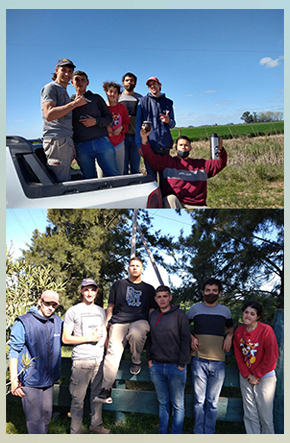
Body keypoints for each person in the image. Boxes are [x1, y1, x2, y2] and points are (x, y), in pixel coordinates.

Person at [93, 257, 157, 404]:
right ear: (128, 268)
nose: (134, 268)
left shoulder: (148, 289)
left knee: (136, 332)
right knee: (113, 352)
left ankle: (136, 360)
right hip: (119, 321)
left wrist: (153, 325)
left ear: (142, 268)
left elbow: (152, 309)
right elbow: (110, 305)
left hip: (140, 320)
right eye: (132, 265)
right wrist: (107, 322)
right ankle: (106, 388)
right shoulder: (118, 285)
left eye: (138, 266)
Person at [8, 290, 62, 434]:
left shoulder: (57, 321)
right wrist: (14, 380)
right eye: (47, 303)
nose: (50, 307)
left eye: (54, 305)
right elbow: (13, 351)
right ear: (40, 301)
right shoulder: (23, 321)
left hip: (49, 380)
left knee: (46, 416)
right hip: (30, 380)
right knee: (34, 421)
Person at [62, 278, 110, 434]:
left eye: (93, 290)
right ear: (81, 291)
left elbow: (104, 333)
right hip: (81, 361)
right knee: (77, 401)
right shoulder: (73, 311)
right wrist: (89, 338)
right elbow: (65, 338)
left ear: (96, 292)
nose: (90, 293)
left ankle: (96, 425)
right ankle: (75, 432)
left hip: (99, 360)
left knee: (97, 397)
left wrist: (107, 351)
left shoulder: (100, 311)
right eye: (86, 289)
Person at [186, 278, 234, 434]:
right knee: (199, 401)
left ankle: (210, 432)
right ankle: (198, 432)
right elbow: (183, 327)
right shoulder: (194, 309)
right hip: (198, 360)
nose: (211, 293)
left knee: (213, 402)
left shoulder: (225, 311)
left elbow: (231, 328)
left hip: (219, 362)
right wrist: (191, 337)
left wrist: (229, 336)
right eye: (208, 290)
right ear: (203, 292)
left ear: (219, 293)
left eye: (214, 291)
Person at [139, 129, 227, 208]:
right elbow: (150, 157)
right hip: (176, 204)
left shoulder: (201, 164)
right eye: (181, 145)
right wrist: (144, 138)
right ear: (176, 147)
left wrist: (220, 149)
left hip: (197, 205)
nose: (183, 147)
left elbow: (220, 164)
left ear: (190, 148)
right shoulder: (167, 162)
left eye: (186, 145)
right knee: (170, 199)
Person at [146, 285, 191, 434]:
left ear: (170, 297)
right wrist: (150, 361)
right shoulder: (152, 315)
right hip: (157, 366)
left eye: (165, 296)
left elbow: (185, 339)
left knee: (178, 404)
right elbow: (149, 339)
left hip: (175, 367)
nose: (162, 299)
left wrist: (182, 364)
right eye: (159, 297)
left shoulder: (179, 315)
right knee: (163, 402)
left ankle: (176, 434)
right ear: (155, 299)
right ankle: (162, 432)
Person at [233, 300, 279, 434]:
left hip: (264, 377)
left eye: (252, 314)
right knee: (249, 413)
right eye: (246, 312)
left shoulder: (266, 330)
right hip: (246, 376)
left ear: (258, 317)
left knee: (265, 416)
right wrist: (247, 375)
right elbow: (238, 355)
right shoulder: (239, 331)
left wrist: (256, 375)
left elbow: (271, 356)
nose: (248, 316)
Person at [41, 59, 87, 182]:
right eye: (63, 70)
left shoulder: (63, 91)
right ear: (56, 71)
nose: (67, 74)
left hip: (65, 140)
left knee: (65, 177)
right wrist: (75, 104)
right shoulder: (51, 88)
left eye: (70, 71)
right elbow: (49, 114)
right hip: (57, 140)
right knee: (60, 182)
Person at [70, 71, 120, 179]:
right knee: (89, 179)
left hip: (102, 141)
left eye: (83, 80)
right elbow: (68, 126)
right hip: (81, 146)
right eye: (77, 80)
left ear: (87, 82)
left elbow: (108, 118)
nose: (80, 82)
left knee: (113, 176)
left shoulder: (96, 98)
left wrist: (95, 121)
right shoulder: (69, 102)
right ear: (72, 82)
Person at [135, 76, 176, 184]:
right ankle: (154, 201)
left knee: (165, 180)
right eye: (149, 85)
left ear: (160, 85)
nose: (152, 86)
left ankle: (164, 200)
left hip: (164, 146)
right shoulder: (142, 102)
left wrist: (168, 121)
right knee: (151, 179)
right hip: (149, 146)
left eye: (154, 84)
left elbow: (173, 124)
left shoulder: (169, 102)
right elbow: (138, 124)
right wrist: (139, 145)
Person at [102, 81, 130, 175]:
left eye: (115, 92)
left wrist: (121, 128)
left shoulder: (122, 108)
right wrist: (106, 127)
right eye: (110, 91)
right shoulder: (102, 106)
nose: (112, 94)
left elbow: (127, 122)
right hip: (103, 143)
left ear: (118, 94)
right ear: (106, 92)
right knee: (102, 172)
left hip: (119, 143)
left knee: (119, 171)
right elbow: (98, 122)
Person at [118, 72, 142, 174]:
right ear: (123, 83)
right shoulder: (118, 97)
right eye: (127, 80)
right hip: (122, 136)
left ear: (135, 83)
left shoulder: (140, 98)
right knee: (123, 167)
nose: (129, 82)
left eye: (131, 81)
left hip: (136, 136)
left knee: (135, 166)